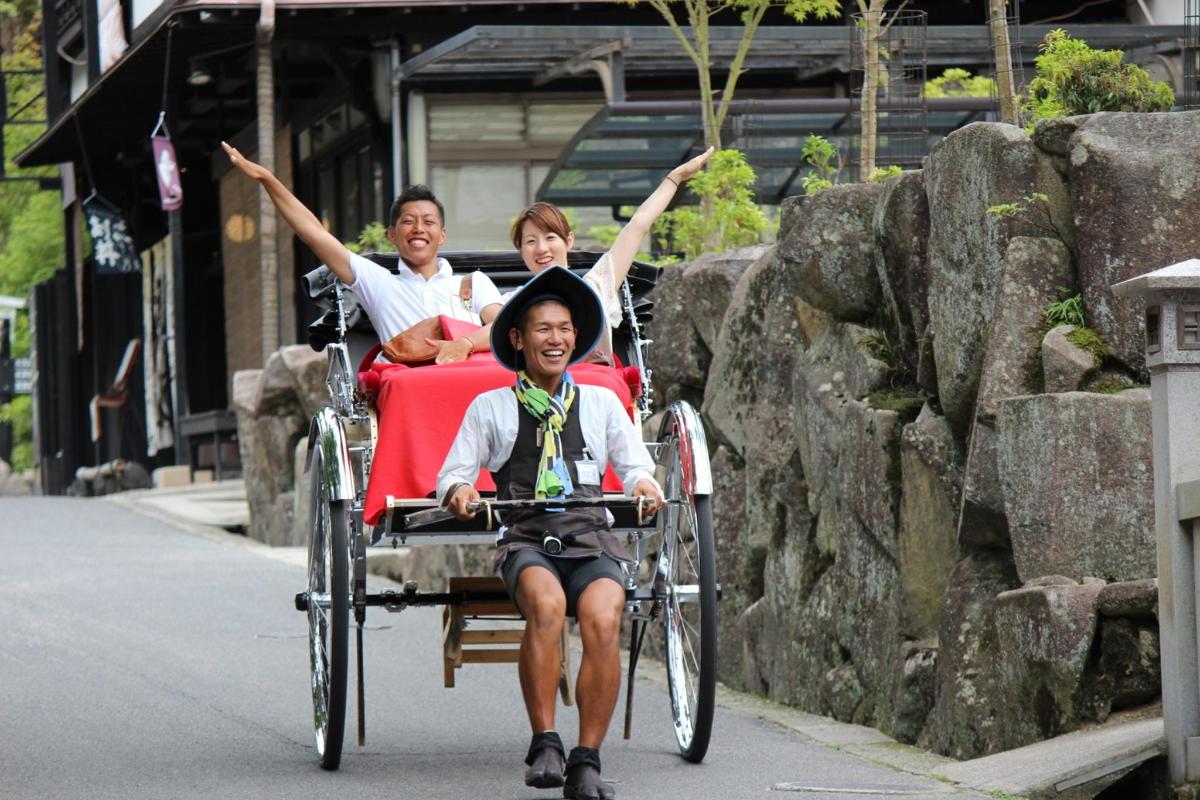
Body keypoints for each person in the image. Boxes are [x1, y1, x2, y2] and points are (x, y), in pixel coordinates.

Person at [437, 266, 664, 800]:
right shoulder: (491, 407)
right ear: (518, 338)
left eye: (564, 328)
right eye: (543, 329)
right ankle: (545, 743)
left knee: (604, 618)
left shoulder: (603, 402)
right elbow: (452, 475)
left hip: (591, 537)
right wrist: (461, 494)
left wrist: (647, 485)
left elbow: (635, 468)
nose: (556, 338)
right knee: (545, 604)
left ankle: (587, 760)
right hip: (527, 539)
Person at [432, 146, 714, 365]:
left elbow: (638, 224)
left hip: (594, 392)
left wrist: (674, 179)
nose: (541, 248)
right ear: (522, 251)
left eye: (550, 238)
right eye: (530, 241)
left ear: (569, 240)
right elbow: (497, 332)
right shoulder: (514, 302)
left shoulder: (595, 286)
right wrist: (466, 342)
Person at [221, 142, 502, 356]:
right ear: (392, 234)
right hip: (409, 395)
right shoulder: (379, 283)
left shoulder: (473, 284)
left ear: (442, 235)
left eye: (428, 222)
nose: (418, 229)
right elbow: (314, 233)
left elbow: (503, 328)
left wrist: (462, 344)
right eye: (408, 221)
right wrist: (267, 179)